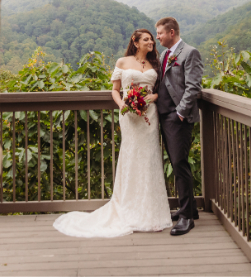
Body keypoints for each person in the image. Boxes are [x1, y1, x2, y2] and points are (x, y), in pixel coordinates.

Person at [53, 29, 173, 237]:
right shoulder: (122, 62)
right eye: (146, 39)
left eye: (152, 39)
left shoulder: (156, 64)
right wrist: (122, 105)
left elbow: (158, 91)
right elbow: (115, 90)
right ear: (135, 43)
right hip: (129, 116)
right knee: (132, 157)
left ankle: (152, 213)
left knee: (150, 159)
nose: (151, 41)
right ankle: (128, 208)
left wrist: (150, 99)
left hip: (150, 116)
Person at [155, 16, 203, 236]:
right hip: (164, 117)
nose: (158, 37)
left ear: (171, 32)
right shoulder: (165, 54)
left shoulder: (190, 52)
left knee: (180, 164)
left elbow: (193, 87)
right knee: (177, 164)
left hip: (178, 119)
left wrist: (180, 114)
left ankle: (186, 218)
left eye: (160, 33)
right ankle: (190, 208)